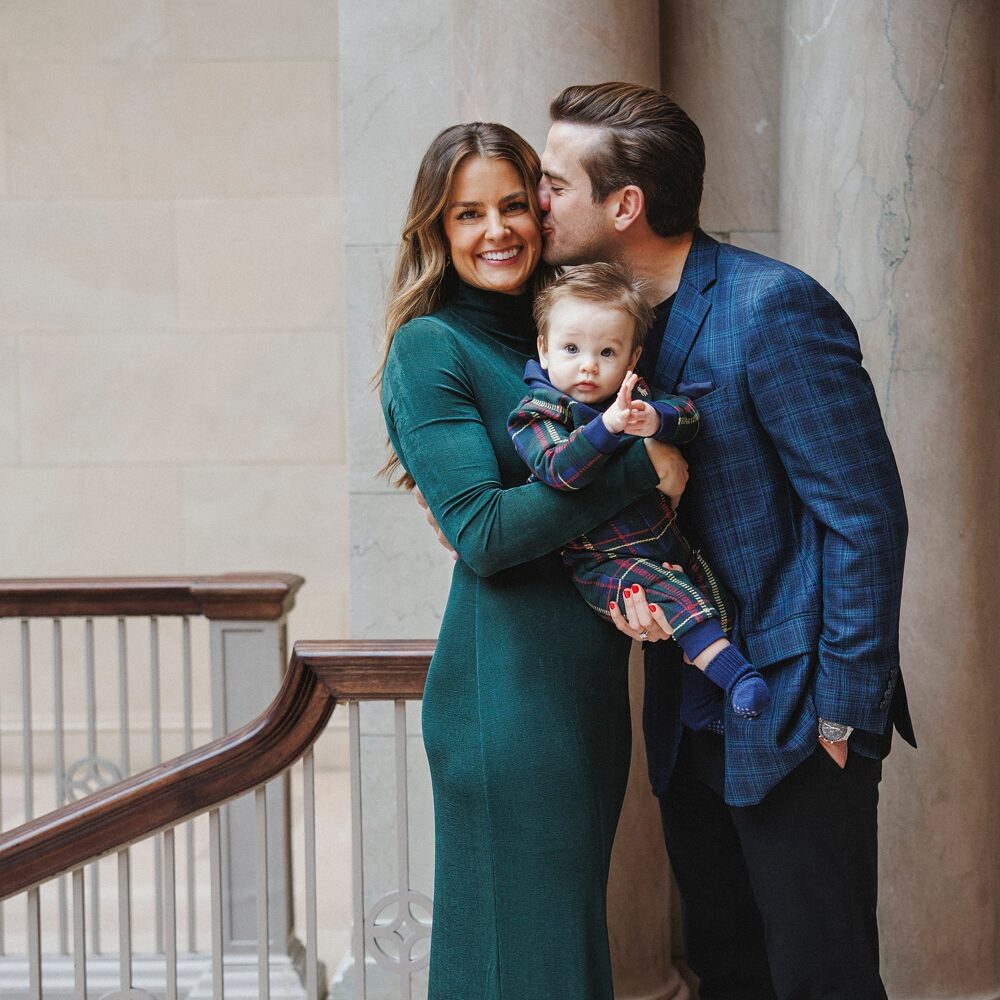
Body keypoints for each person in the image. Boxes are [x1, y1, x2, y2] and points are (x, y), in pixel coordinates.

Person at [533, 81, 915, 999]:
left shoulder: (772, 308)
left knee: (821, 978)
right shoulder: (593, 331)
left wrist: (842, 711)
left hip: (796, 707)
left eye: (553, 184)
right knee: (727, 971)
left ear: (624, 205)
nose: (535, 201)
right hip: (686, 708)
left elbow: (865, 516)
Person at [377, 121, 688, 999]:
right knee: (524, 967)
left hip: (582, 686)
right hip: (503, 694)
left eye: (515, 203)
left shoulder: (563, 336)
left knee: (559, 959)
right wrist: (639, 467)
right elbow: (481, 529)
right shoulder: (430, 347)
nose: (497, 229)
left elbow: (552, 511)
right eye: (466, 213)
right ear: (436, 230)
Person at [507, 262, 770, 722]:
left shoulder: (633, 397)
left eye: (607, 352)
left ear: (631, 359)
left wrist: (657, 418)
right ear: (544, 350)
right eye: (572, 348)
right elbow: (560, 470)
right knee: (673, 595)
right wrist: (608, 429)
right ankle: (738, 678)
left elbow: (688, 412)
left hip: (664, 538)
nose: (588, 365)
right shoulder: (537, 415)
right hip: (603, 561)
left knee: (714, 597)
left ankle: (708, 698)